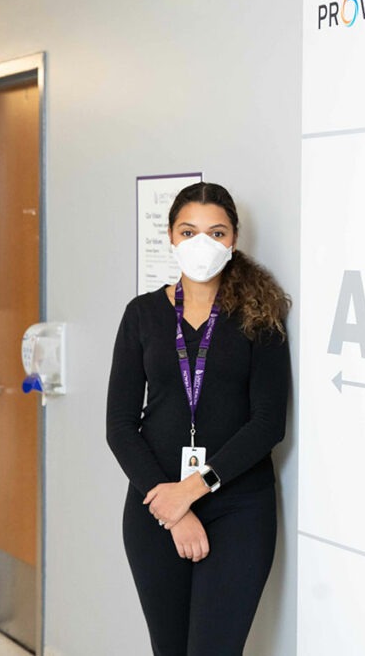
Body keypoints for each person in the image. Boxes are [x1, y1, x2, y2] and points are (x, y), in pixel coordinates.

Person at [107, 182, 291, 656]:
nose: (201, 243)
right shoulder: (142, 315)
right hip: (155, 506)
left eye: (216, 232)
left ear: (232, 241)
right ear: (170, 236)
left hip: (239, 509)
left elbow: (268, 423)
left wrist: (190, 493)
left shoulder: (260, 313)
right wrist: (170, 508)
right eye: (189, 231)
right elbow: (120, 425)